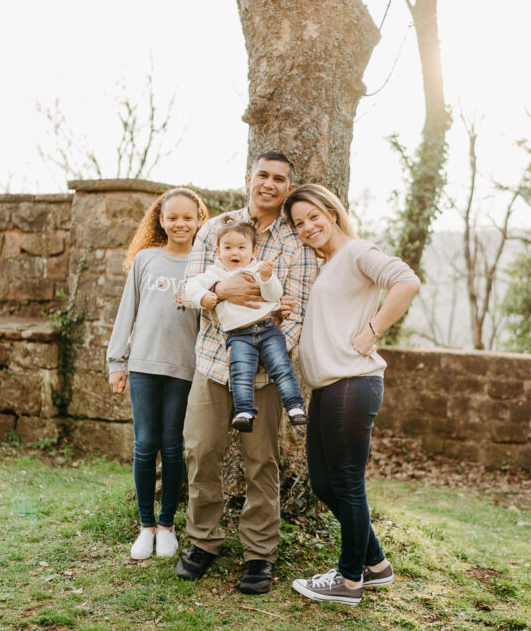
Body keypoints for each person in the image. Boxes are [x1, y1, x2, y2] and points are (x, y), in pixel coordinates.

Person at [174, 150, 318, 595]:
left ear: (288, 188)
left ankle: (259, 555)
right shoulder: (215, 229)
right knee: (201, 452)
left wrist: (267, 352)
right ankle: (204, 542)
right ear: (249, 179)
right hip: (214, 362)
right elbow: (186, 291)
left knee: (262, 463)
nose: (269, 184)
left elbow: (299, 311)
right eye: (262, 175)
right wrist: (221, 290)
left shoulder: (297, 244)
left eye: (279, 178)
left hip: (269, 373)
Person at [283, 183, 421, 606]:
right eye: (298, 223)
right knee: (325, 483)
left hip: (353, 382)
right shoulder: (327, 264)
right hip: (328, 385)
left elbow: (407, 281)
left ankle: (348, 580)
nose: (307, 227)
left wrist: (373, 331)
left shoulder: (358, 252)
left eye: (313, 217)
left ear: (333, 211)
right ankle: (376, 565)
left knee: (346, 483)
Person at [106, 187, 209, 561]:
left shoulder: (204, 265)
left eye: (187, 217)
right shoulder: (145, 260)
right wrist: (117, 362)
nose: (180, 224)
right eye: (172, 217)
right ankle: (145, 526)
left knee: (173, 447)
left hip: (185, 370)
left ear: (200, 220)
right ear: (160, 220)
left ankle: (167, 526)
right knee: (145, 446)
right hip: (144, 367)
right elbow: (126, 311)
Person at [182, 215, 307, 433]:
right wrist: (206, 295)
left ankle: (295, 406)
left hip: (267, 329)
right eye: (228, 247)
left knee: (281, 367)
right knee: (241, 372)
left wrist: (268, 278)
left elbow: (273, 295)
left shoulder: (258, 269)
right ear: (218, 251)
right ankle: (245, 411)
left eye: (241, 247)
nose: (235, 253)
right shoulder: (214, 273)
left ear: (253, 251)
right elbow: (190, 287)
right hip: (239, 336)